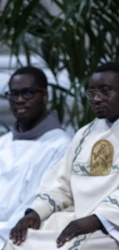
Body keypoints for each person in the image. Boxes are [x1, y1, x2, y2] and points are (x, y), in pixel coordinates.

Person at [5, 62, 119, 250]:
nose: (96, 99)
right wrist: (34, 214)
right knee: (19, 242)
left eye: (105, 91)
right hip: (77, 220)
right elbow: (60, 184)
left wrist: (98, 219)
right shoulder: (85, 134)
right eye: (92, 92)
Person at [0, 66, 71, 246]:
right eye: (14, 94)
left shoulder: (60, 145)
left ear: (45, 96)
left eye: (28, 93)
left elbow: (38, 201)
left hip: (19, 235)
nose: (20, 100)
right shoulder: (3, 143)